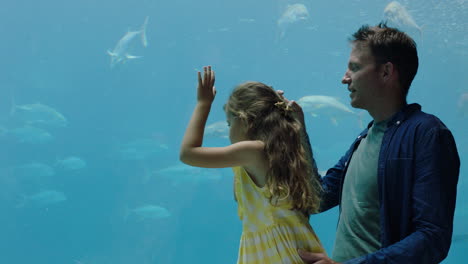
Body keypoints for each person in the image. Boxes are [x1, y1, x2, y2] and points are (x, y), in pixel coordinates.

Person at [289, 22, 460, 263]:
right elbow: (317, 198)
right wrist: (297, 134)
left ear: (386, 72)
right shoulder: (364, 138)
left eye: (355, 68)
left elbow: (433, 238)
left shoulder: (427, 134)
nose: (344, 78)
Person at [180, 66, 326, 263]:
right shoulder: (283, 153)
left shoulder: (253, 152)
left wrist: (203, 103)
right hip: (290, 248)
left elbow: (188, 154)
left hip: (277, 254)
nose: (229, 133)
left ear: (244, 120)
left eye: (229, 125)